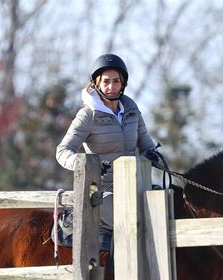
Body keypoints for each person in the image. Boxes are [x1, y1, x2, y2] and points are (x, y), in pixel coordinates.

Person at [56, 53, 163, 250]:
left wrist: (153, 155)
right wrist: (86, 165)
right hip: (100, 191)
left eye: (116, 81)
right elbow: (62, 151)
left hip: (134, 185)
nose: (111, 87)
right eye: (106, 82)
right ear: (96, 84)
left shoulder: (132, 111)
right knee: (130, 219)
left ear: (123, 84)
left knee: (166, 204)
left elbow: (146, 145)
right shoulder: (87, 115)